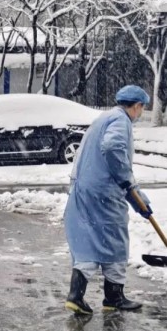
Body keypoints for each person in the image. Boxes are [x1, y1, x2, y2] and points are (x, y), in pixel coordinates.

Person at [64, 85, 151, 315]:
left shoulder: (104, 117)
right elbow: (113, 149)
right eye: (142, 108)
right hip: (104, 194)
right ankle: (114, 297)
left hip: (86, 190)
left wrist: (138, 199)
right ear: (136, 106)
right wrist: (126, 183)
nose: (141, 113)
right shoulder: (121, 121)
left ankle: (76, 295)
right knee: (115, 242)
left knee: (90, 243)